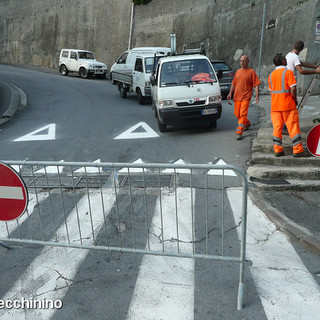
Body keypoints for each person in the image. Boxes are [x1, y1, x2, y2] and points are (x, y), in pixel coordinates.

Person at [268, 53, 305, 157]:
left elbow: (271, 92)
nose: (286, 59)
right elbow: (293, 88)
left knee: (277, 128)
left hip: (275, 106)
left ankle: (278, 150)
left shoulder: (271, 75)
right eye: (285, 59)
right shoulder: (288, 73)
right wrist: (295, 99)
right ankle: (297, 150)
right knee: (293, 127)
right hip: (288, 105)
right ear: (283, 61)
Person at [227, 55, 261, 140]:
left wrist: (257, 96)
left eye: (244, 61)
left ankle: (239, 132)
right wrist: (230, 93)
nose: (242, 62)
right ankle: (247, 123)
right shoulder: (238, 72)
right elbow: (233, 84)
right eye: (241, 61)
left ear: (248, 61)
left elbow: (256, 85)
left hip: (246, 97)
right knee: (237, 114)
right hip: (237, 97)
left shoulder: (251, 72)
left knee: (242, 114)